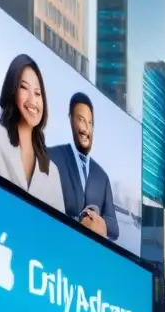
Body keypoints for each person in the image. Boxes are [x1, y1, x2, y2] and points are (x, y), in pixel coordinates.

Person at [0, 54, 65, 212]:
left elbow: (57, 232)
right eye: (24, 87)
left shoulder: (52, 171)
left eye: (38, 93)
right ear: (12, 91)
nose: (33, 100)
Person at [48, 91, 119, 239]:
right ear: (70, 119)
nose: (85, 129)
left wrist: (98, 222)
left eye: (89, 123)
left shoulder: (102, 177)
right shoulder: (52, 156)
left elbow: (114, 229)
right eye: (80, 120)